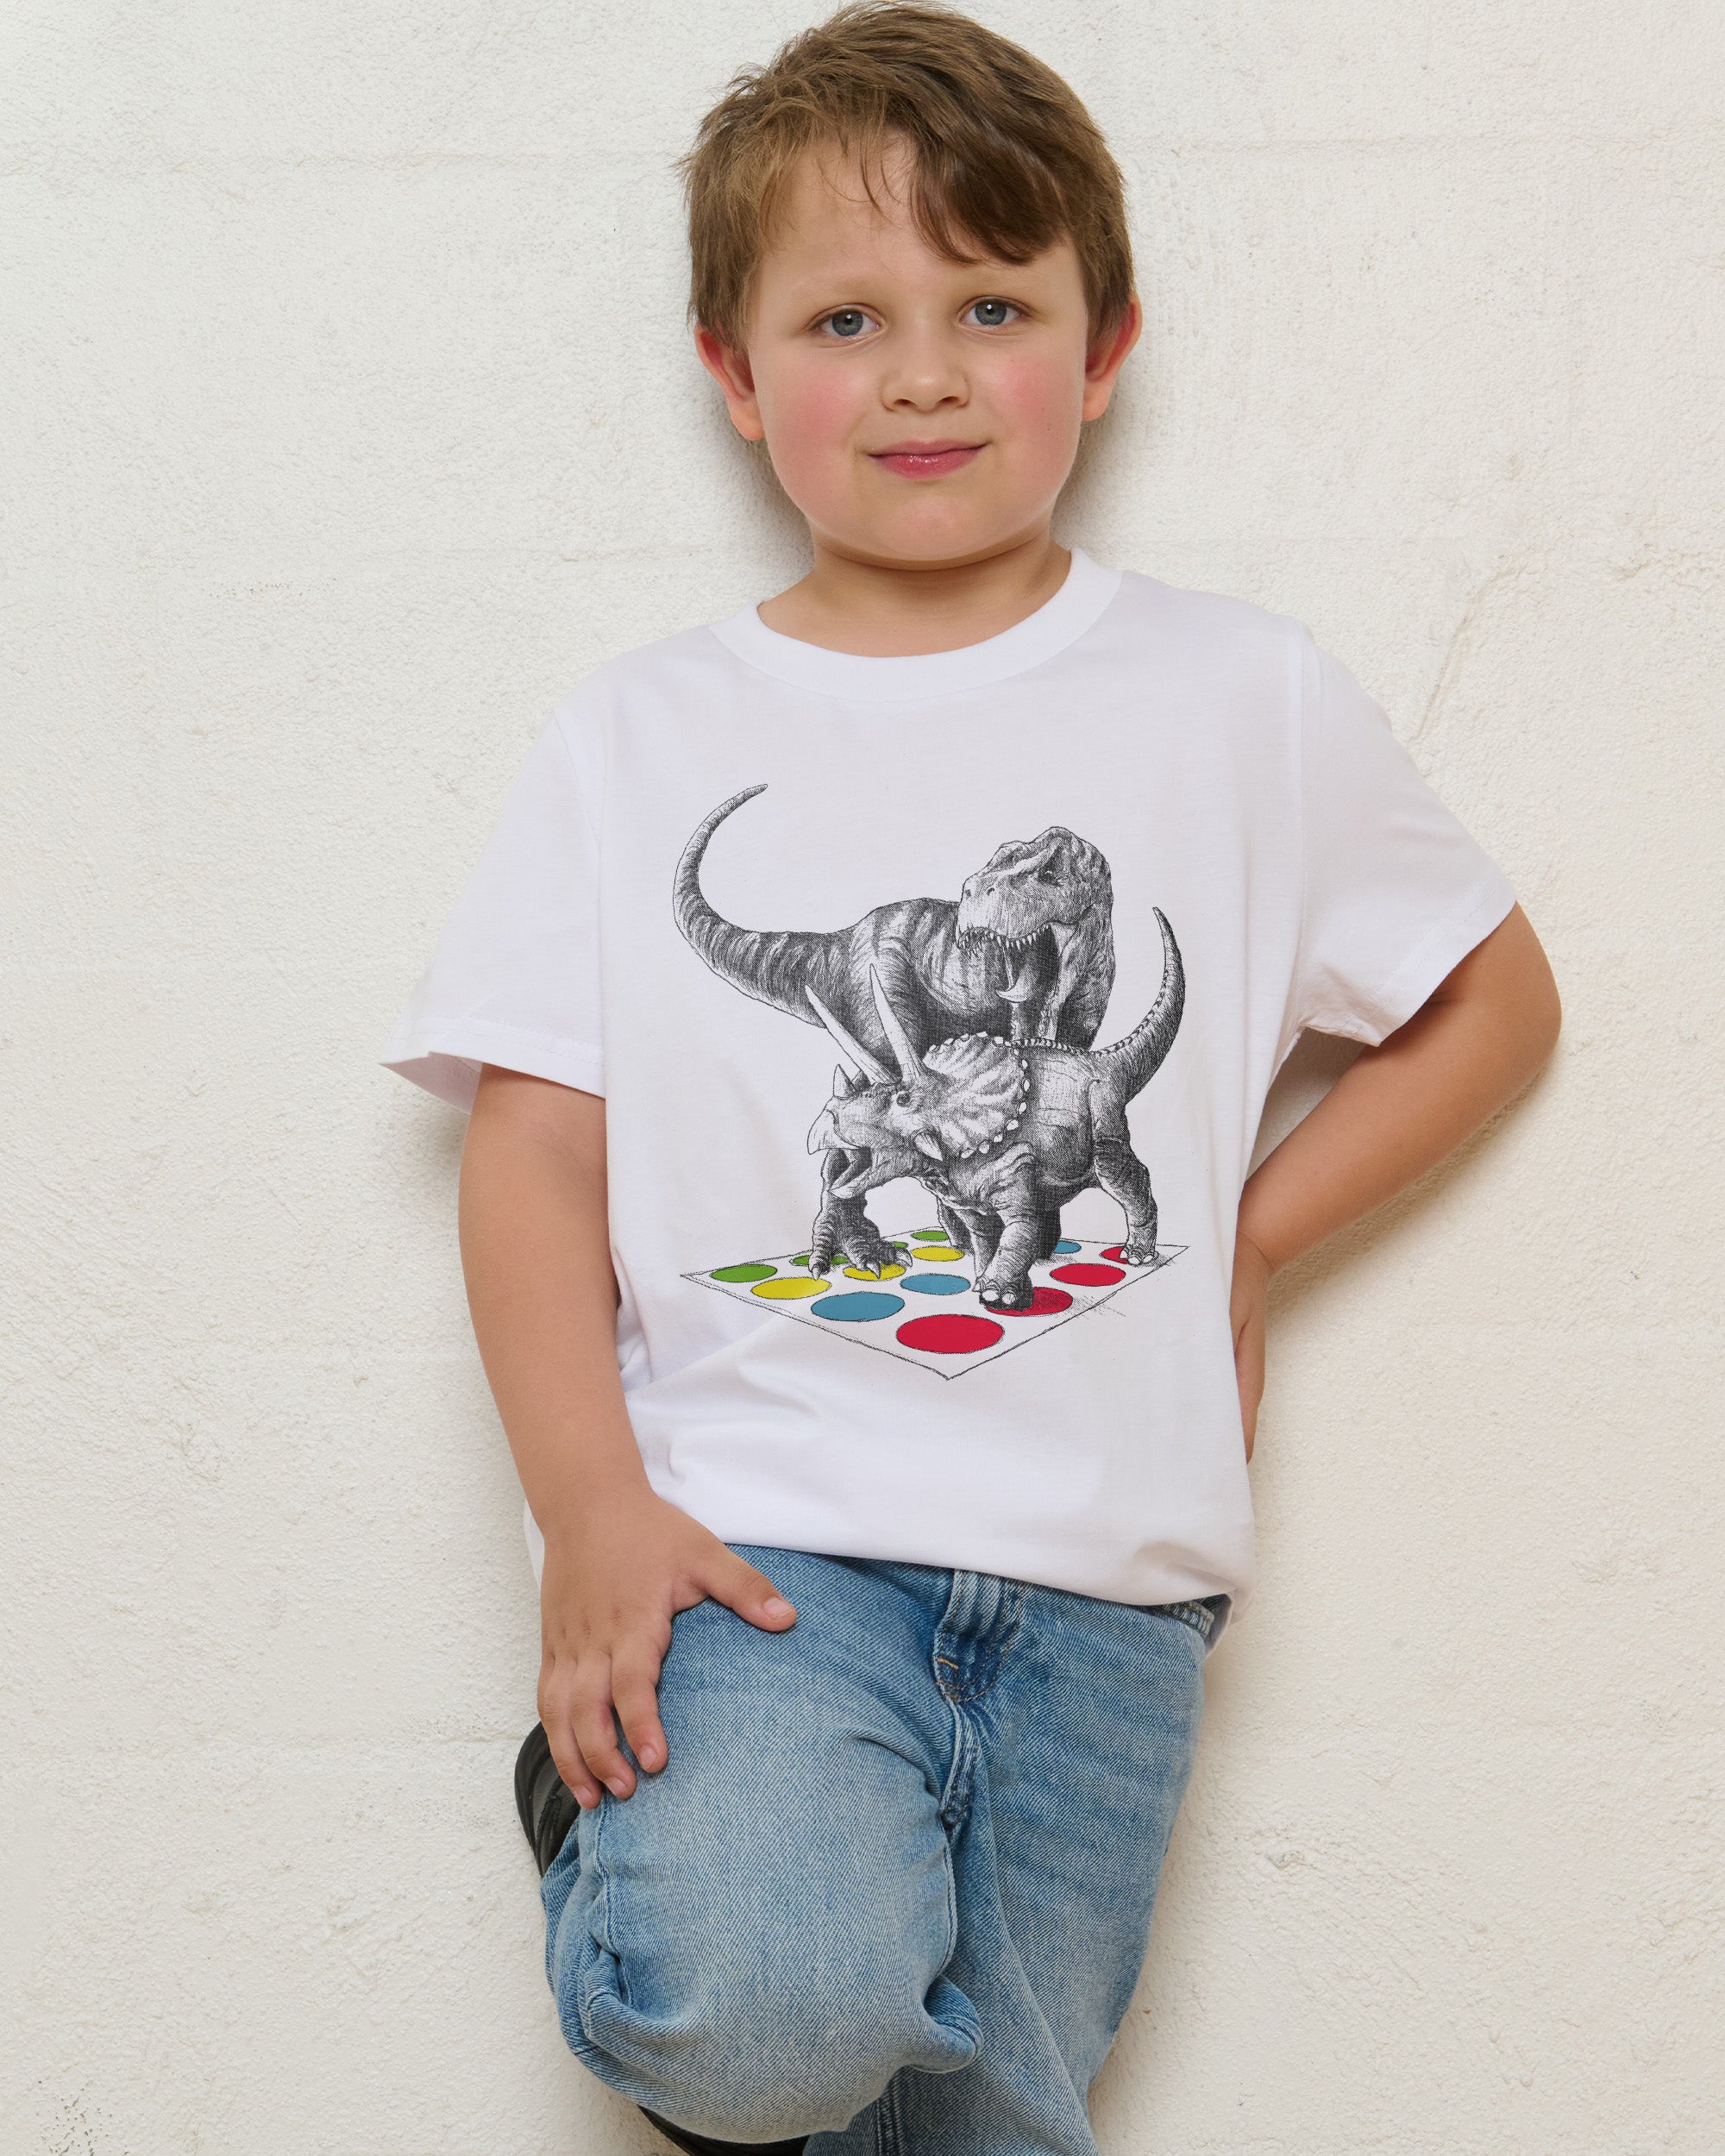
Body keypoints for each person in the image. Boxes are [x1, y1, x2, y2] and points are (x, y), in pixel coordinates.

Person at [381, 6, 1562, 2150]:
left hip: (1115, 1584)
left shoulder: (1239, 692)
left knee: (981, 2124)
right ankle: (622, 1845)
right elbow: (533, 1147)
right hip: (759, 1553)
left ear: (1104, 347)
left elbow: (1490, 1001)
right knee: (763, 2013)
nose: (922, 372)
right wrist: (586, 1505)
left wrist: (1243, 1245)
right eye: (845, 318)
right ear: (736, 372)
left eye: (991, 306)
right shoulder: (635, 734)